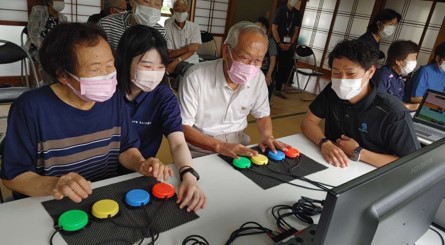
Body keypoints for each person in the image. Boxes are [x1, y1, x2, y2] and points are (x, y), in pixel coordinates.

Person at [0, 23, 172, 203]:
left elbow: (126, 149)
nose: (107, 75)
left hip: (102, 197)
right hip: (49, 202)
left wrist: (140, 163)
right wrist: (54, 184)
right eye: (95, 69)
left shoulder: (114, 99)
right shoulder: (30, 108)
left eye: (110, 65)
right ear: (63, 75)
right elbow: (13, 176)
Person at [116, 25, 206, 212]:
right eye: (147, 66)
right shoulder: (108, 93)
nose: (154, 73)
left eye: (161, 67)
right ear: (125, 61)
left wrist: (188, 175)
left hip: (142, 175)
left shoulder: (163, 97)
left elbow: (178, 143)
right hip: (102, 175)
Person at [300, 39, 420, 168]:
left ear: (370, 72)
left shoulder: (393, 112)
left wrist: (359, 153)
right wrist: (325, 143)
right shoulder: (332, 91)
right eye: (336, 73)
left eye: (351, 74)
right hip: (331, 165)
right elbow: (308, 121)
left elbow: (412, 162)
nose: (342, 81)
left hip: (371, 175)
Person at [178, 21, 288, 159]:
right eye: (245, 58)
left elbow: (262, 114)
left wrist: (267, 136)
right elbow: (183, 126)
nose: (251, 66)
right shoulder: (196, 77)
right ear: (226, 51)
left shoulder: (258, 78)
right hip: (201, 145)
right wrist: (219, 146)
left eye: (258, 60)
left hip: (238, 142)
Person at [25, 0, 67, 83]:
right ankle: (49, 85)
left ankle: (60, 85)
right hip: (37, 47)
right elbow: (33, 32)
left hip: (55, 49)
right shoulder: (38, 11)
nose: (61, 2)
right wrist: (44, 47)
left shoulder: (63, 18)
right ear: (50, 1)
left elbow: (63, 37)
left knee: (67, 59)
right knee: (47, 59)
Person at [98, 0, 166, 50]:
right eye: (146, 1)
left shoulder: (161, 32)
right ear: (132, 2)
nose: (151, 8)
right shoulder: (107, 24)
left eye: (157, 4)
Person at [372, 40, 420, 111]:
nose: (415, 62)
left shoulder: (399, 78)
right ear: (398, 61)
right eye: (412, 58)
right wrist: (409, 107)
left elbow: (398, 101)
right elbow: (379, 103)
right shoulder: (382, 75)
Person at [271, 0, 302, 99]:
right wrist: (279, 42)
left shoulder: (297, 14)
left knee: (283, 67)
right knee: (273, 65)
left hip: (288, 45)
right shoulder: (281, 10)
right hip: (277, 43)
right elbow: (274, 28)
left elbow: (296, 31)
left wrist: (290, 43)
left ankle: (278, 90)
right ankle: (268, 87)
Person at [165, 0, 201, 84]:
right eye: (177, 10)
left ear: (187, 11)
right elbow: (169, 54)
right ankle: (180, 80)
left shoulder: (194, 26)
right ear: (172, 11)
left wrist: (176, 61)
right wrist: (187, 49)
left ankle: (178, 81)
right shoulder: (167, 28)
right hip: (176, 63)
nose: (181, 13)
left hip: (192, 61)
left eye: (183, 10)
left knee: (197, 72)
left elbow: (194, 50)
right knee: (191, 73)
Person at [255, 16, 277, 102]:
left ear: (265, 29)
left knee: (269, 84)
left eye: (259, 27)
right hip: (253, 68)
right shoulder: (251, 38)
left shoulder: (270, 41)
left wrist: (268, 75)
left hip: (264, 70)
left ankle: (265, 103)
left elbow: (273, 60)